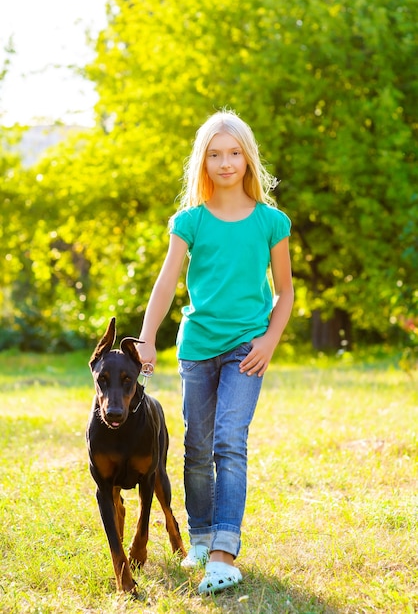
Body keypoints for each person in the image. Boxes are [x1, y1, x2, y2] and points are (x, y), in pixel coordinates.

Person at [136, 109, 294, 594]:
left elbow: (285, 292)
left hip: (247, 347)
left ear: (248, 159)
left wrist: (269, 340)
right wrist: (147, 337)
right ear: (202, 162)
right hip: (197, 348)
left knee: (230, 440)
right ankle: (201, 538)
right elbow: (166, 284)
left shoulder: (272, 221)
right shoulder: (190, 221)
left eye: (234, 153)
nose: (226, 162)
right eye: (214, 154)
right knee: (197, 449)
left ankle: (225, 553)